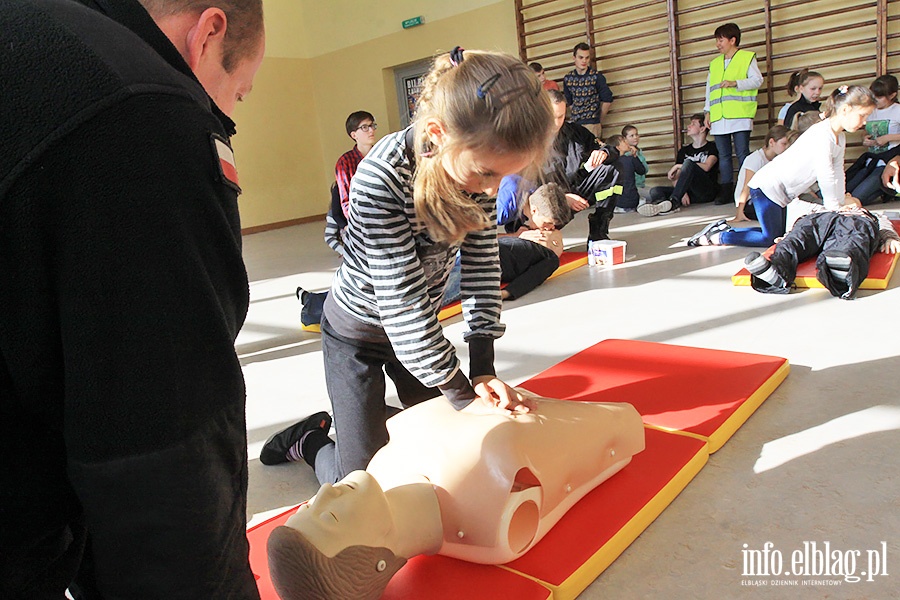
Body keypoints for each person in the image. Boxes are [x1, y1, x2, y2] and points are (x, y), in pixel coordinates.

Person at [0, 0, 265, 598]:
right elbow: (167, 468)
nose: (228, 113)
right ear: (209, 34)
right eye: (238, 93)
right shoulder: (141, 116)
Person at [260, 49, 555, 486]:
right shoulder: (380, 178)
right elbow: (401, 307)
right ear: (437, 134)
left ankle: (371, 417)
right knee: (361, 482)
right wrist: (459, 392)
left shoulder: (472, 164)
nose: (491, 189)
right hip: (356, 333)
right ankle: (309, 438)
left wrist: (482, 367)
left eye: (501, 179)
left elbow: (480, 266)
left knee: (442, 444)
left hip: (416, 334)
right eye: (488, 175)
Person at [266, 395, 646, 600]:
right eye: (330, 516)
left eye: (310, 504)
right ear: (379, 562)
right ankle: (309, 441)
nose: (327, 493)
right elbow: (610, 431)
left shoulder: (380, 472)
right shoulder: (489, 518)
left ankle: (309, 442)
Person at [686, 85, 876, 248]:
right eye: (862, 115)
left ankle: (724, 229)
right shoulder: (822, 134)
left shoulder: (839, 137)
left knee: (778, 233)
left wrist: (841, 201)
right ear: (845, 110)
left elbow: (837, 172)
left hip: (782, 193)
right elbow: (825, 174)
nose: (865, 121)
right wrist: (834, 207)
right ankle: (717, 236)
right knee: (770, 238)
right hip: (766, 188)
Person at [743, 204, 900, 299]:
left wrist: (890, 238)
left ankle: (841, 272)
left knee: (852, 240)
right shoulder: (823, 207)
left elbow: (884, 225)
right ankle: (776, 271)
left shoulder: (867, 214)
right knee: (797, 238)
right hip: (822, 219)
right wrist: (788, 236)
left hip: (854, 222)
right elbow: (801, 226)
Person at [703, 23, 763, 204]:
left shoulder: (746, 58)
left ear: (732, 40)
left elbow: (757, 80)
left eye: (720, 40)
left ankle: (747, 190)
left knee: (743, 153)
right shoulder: (714, 64)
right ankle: (726, 190)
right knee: (724, 156)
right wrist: (707, 112)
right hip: (719, 116)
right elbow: (709, 90)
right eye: (717, 40)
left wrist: (736, 83)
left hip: (740, 115)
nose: (717, 44)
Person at [498, 182, 573, 300]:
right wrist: (515, 235)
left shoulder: (537, 195)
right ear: (534, 211)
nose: (550, 228)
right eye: (548, 223)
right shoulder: (504, 208)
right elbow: (469, 237)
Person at [639, 113, 719, 217]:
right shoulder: (684, 151)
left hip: (705, 191)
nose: (689, 126)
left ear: (703, 128)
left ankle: (673, 202)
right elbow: (675, 177)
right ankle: (661, 206)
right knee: (655, 190)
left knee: (689, 163)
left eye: (693, 124)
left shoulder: (712, 147)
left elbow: (707, 166)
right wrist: (682, 192)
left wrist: (678, 166)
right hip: (688, 193)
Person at [845, 75, 900, 205]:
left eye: (880, 97)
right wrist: (864, 138)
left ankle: (886, 191)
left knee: (858, 197)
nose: (875, 100)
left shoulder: (897, 110)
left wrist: (889, 137)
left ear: (892, 95)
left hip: (887, 161)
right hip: (871, 160)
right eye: (874, 96)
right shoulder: (871, 110)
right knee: (846, 190)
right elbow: (866, 129)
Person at [731, 125, 795, 223]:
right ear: (771, 142)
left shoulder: (777, 159)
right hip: (749, 202)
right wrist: (739, 212)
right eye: (784, 144)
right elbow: (746, 187)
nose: (786, 147)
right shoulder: (755, 159)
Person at [563, 42, 614, 139]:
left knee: (592, 152)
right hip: (576, 124)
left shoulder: (596, 77)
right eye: (581, 57)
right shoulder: (568, 78)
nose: (584, 61)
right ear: (574, 58)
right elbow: (570, 102)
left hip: (592, 123)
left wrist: (598, 120)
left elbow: (607, 99)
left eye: (587, 58)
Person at [335, 110, 379, 218]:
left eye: (372, 125)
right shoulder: (345, 162)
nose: (371, 130)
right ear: (354, 135)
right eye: (364, 127)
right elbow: (346, 202)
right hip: (360, 217)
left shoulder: (381, 155)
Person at [609, 133, 646, 212]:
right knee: (648, 196)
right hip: (631, 202)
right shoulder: (630, 159)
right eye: (624, 142)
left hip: (613, 203)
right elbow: (642, 171)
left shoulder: (608, 164)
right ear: (618, 147)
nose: (627, 143)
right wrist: (635, 156)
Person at [623, 124, 651, 204]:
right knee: (655, 195)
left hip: (641, 186)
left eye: (636, 134)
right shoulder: (625, 155)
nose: (635, 137)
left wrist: (637, 156)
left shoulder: (639, 152)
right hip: (632, 189)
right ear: (625, 139)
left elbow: (645, 169)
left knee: (659, 192)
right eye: (631, 136)